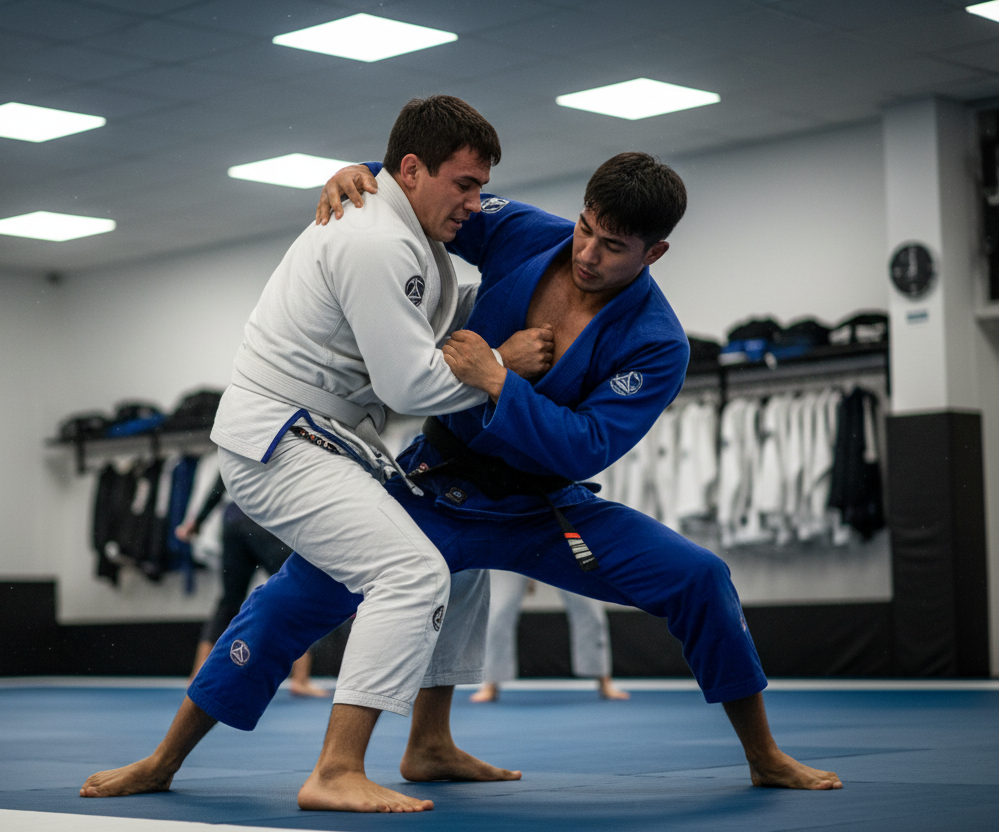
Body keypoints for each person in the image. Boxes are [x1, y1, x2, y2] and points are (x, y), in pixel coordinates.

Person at [82, 152, 842, 809]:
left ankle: (765, 755)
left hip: (544, 509)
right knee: (286, 602)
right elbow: (432, 199)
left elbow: (584, 446)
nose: (586, 252)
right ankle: (166, 760)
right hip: (438, 486)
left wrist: (499, 381)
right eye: (586, 228)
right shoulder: (525, 230)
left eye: (612, 247)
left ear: (655, 252)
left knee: (701, 576)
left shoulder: (657, 343)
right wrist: (365, 178)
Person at [175, 478, 327, 697]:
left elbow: (220, 482)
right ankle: (300, 680)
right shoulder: (289, 444)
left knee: (229, 600)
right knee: (300, 592)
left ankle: (198, 674)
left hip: (234, 517)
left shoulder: (239, 444)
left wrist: (197, 522)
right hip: (265, 514)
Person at [470, 573, 628, 703]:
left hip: (564, 538)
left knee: (590, 609)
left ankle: (604, 680)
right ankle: (490, 683)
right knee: (498, 612)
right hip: (513, 540)